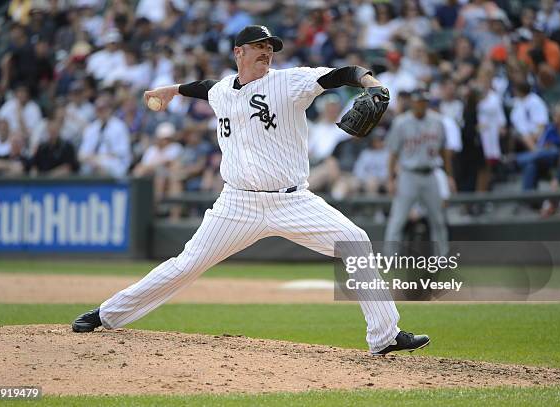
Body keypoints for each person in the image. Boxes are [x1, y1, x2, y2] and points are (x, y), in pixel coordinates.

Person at [72, 25, 429, 356]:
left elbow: (345, 72)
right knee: (185, 266)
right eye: (258, 47)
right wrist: (172, 90)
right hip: (236, 204)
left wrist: (372, 84)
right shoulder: (222, 91)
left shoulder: (290, 82)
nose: (266, 52)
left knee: (356, 241)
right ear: (238, 52)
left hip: (292, 200)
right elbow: (204, 86)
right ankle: (108, 314)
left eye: (270, 47)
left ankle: (384, 336)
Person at [384, 89, 453, 257]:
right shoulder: (401, 122)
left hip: (431, 174)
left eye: (424, 101)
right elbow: (393, 154)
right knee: (398, 219)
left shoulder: (437, 121)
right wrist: (391, 179)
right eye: (418, 101)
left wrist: (449, 176)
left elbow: (444, 151)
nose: (421, 104)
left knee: (438, 219)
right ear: (412, 102)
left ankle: (442, 258)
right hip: (408, 174)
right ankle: (389, 258)